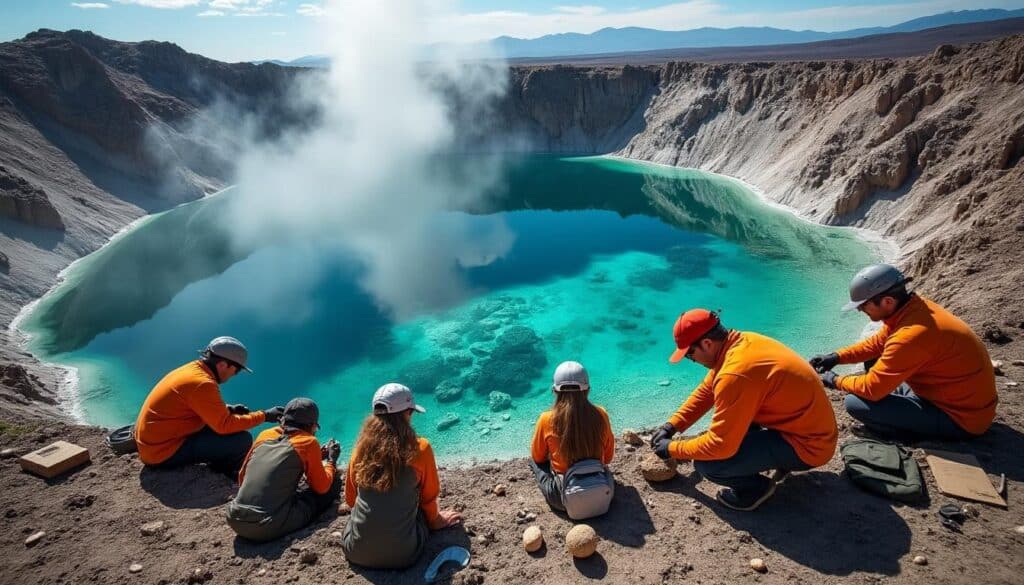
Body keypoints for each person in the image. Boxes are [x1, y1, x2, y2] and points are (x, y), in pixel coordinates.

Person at [651, 309, 837, 511]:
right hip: (807, 428)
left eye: (689, 354)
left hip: (811, 447)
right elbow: (708, 391)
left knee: (709, 465)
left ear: (706, 343)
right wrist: (672, 425)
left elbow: (720, 446)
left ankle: (755, 490)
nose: (692, 360)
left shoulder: (735, 373)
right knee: (728, 427)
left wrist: (672, 449)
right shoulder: (743, 342)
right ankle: (770, 458)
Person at [810, 263, 998, 441]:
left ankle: (911, 436)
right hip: (963, 401)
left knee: (856, 404)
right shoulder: (914, 310)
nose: (859, 309)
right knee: (875, 367)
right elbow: (876, 344)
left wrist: (835, 381)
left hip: (960, 419)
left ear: (887, 301)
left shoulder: (911, 335)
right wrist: (836, 357)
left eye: (863, 304)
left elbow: (871, 389)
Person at [341, 383, 462, 569]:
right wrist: (437, 521)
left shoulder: (360, 449)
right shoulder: (420, 448)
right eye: (411, 412)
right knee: (418, 511)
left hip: (354, 551)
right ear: (407, 413)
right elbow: (429, 498)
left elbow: (351, 500)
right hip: (405, 555)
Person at [134, 336, 284, 476]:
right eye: (236, 370)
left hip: (154, 443)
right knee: (241, 441)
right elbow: (224, 425)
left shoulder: (192, 369)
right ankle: (224, 471)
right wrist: (265, 415)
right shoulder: (203, 384)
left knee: (227, 427)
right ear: (223, 365)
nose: (234, 374)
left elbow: (194, 404)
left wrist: (229, 409)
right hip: (161, 453)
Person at [226, 397, 341, 542]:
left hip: (234, 518)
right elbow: (322, 487)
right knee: (333, 483)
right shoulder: (309, 442)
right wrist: (332, 461)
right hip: (266, 525)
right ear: (312, 425)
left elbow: (242, 477)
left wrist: (317, 454)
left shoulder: (265, 435)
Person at [529, 361, 615, 513]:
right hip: (602, 492)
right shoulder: (601, 414)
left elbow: (538, 457)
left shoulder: (546, 419)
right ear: (587, 390)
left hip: (564, 498)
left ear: (555, 391)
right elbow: (607, 459)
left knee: (534, 462)